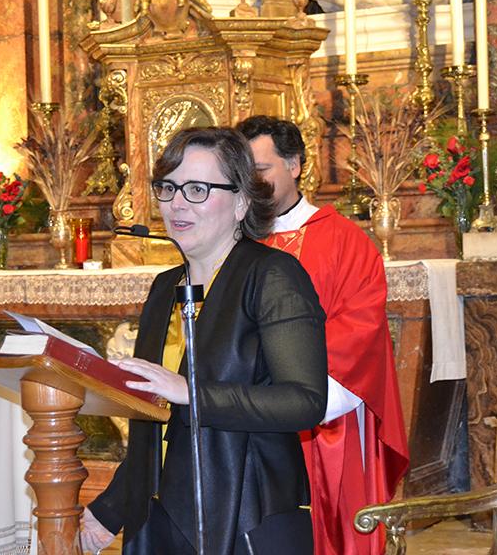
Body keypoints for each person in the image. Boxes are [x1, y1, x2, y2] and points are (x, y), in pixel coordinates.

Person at [80, 127, 329, 554]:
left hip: (244, 514)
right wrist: (109, 511)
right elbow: (151, 423)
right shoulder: (164, 289)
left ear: (242, 202)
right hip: (159, 520)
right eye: (169, 187)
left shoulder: (273, 276)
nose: (177, 203)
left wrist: (190, 393)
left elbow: (305, 402)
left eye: (197, 188)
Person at [237, 115, 409, 555]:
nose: (252, 184)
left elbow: (359, 330)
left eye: (261, 170)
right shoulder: (232, 242)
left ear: (294, 164)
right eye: (242, 174)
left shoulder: (344, 241)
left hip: (323, 416)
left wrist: (290, 390)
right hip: (243, 417)